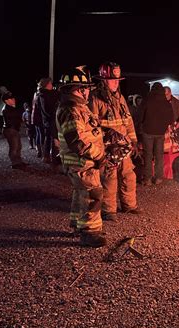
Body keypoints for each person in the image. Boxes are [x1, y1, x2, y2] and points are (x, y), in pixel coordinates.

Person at [56, 66, 107, 247]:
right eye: (84, 88)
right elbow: (77, 141)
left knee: (81, 194)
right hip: (81, 162)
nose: (88, 92)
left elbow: (89, 131)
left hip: (85, 161)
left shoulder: (79, 108)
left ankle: (78, 226)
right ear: (74, 89)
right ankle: (90, 232)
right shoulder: (70, 110)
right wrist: (100, 154)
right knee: (92, 194)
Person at [89, 62, 141, 222]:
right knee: (109, 178)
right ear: (104, 80)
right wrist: (103, 142)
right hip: (107, 146)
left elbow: (128, 121)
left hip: (123, 146)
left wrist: (133, 140)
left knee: (128, 175)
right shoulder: (95, 98)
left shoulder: (120, 98)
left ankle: (129, 205)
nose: (116, 82)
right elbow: (92, 125)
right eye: (113, 79)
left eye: (118, 79)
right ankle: (108, 210)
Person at [141, 82, 173, 186]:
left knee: (148, 155)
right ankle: (159, 178)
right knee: (159, 155)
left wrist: (142, 124)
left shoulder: (147, 101)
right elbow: (171, 119)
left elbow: (140, 115)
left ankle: (148, 179)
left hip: (147, 132)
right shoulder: (166, 103)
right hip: (160, 133)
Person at [38, 77, 60, 167]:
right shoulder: (47, 95)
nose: (52, 85)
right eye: (50, 84)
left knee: (48, 139)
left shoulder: (42, 94)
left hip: (46, 121)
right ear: (46, 85)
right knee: (55, 139)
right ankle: (55, 160)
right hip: (51, 120)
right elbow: (49, 109)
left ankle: (46, 156)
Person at [1, 92, 26, 169]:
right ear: (6, 101)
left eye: (13, 98)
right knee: (14, 147)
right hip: (10, 130)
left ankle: (18, 161)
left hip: (14, 129)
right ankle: (15, 163)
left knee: (18, 146)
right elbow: (16, 117)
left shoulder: (11, 107)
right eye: (11, 98)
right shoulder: (6, 109)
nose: (13, 99)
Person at [31, 81, 45, 158]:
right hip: (39, 118)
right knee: (41, 135)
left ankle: (38, 151)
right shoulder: (40, 95)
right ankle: (41, 152)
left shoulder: (35, 93)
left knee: (38, 134)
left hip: (35, 118)